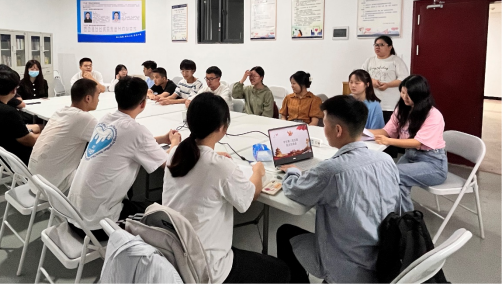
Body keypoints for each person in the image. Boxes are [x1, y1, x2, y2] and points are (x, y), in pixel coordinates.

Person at [163, 93, 291, 284]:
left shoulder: (175, 153)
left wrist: (214, 156)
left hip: (175, 255)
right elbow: (251, 195)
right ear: (222, 127)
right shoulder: (219, 166)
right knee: (282, 271)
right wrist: (258, 171)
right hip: (209, 270)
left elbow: (202, 167)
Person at [276, 95, 401, 284]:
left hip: (347, 267)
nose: (323, 129)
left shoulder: (331, 170)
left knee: (285, 233)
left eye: (324, 124)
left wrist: (293, 172)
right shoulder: (387, 160)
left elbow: (295, 191)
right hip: (385, 259)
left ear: (338, 130)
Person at [68, 77, 181, 241]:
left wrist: (162, 139)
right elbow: (169, 164)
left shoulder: (106, 119)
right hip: (96, 225)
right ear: (143, 103)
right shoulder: (136, 131)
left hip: (74, 215)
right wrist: (175, 143)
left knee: (142, 203)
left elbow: (128, 142)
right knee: (164, 218)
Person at [369, 75, 447, 213]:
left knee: (392, 174)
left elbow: (417, 142)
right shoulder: (402, 109)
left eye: (408, 94)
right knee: (393, 179)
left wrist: (389, 141)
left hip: (433, 163)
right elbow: (387, 131)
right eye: (402, 92)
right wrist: (360, 132)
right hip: (411, 156)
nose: (404, 97)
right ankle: (400, 216)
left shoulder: (433, 115)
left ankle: (404, 219)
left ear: (419, 95)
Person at [29, 79, 100, 192]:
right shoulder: (84, 119)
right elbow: (109, 141)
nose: (98, 100)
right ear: (88, 98)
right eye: (98, 95)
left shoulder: (60, 112)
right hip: (52, 188)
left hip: (34, 181)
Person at [361, 35, 409, 123]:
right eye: (376, 45)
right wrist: (371, 81)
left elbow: (404, 79)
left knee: (388, 128)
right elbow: (361, 76)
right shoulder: (369, 60)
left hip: (390, 104)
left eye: (381, 45)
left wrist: (388, 85)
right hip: (371, 102)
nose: (377, 47)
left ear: (390, 47)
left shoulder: (396, 60)